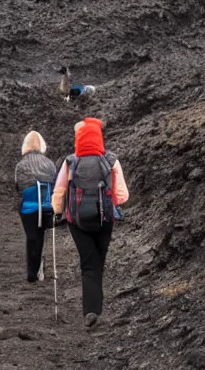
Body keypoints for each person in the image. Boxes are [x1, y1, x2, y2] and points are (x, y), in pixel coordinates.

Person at [52, 117, 129, 327]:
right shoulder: (111, 160)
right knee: (99, 261)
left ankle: (91, 311)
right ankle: (97, 307)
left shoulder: (71, 161)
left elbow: (59, 191)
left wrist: (58, 211)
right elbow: (122, 196)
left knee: (88, 264)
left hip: (77, 221)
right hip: (105, 219)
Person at [15, 131, 57, 283]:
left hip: (28, 208)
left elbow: (18, 187)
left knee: (32, 237)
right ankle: (41, 267)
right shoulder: (49, 164)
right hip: (46, 206)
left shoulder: (20, 165)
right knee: (41, 236)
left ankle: (32, 273)